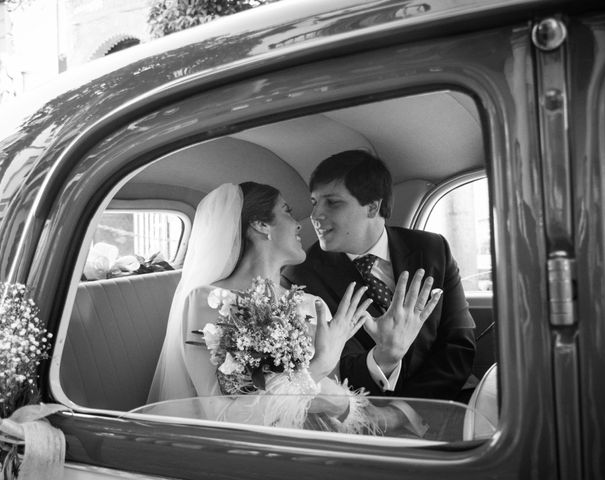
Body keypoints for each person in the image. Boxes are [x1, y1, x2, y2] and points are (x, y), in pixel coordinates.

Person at [147, 182, 434, 434]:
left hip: (323, 440)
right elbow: (227, 417)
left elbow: (333, 402)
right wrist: (318, 367)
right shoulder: (210, 300)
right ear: (260, 225)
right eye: (286, 211)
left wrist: (385, 354)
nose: (299, 224)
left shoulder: (311, 304)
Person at [282, 150, 476, 400]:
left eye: (332, 202)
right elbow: (336, 371)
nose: (316, 215)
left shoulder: (433, 249)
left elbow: (459, 342)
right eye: (314, 202)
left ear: (372, 207)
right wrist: (385, 358)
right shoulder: (300, 278)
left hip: (448, 400)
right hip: (370, 412)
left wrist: (409, 411)